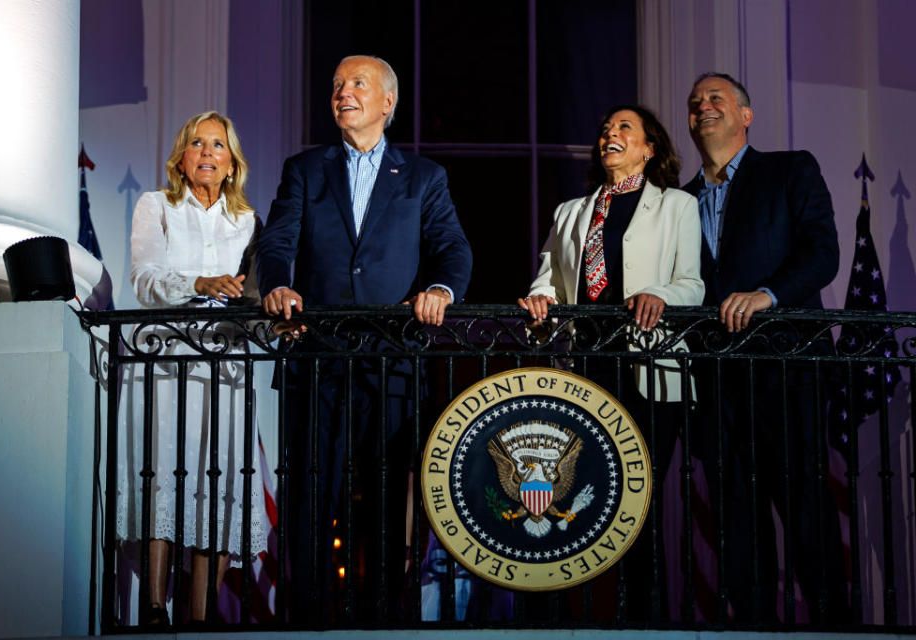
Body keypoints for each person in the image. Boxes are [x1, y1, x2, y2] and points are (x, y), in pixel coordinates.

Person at [255, 55, 472, 620]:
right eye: (336, 85)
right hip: (318, 351)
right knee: (308, 493)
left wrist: (441, 290)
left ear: (387, 103)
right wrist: (277, 287)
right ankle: (303, 619)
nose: (342, 93)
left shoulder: (423, 177)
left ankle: (382, 618)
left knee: (384, 497)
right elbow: (277, 244)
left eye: (357, 84)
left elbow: (451, 247)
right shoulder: (304, 169)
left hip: (392, 357)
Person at [519, 105, 703, 621]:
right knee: (579, 505)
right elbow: (548, 280)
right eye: (604, 129)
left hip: (650, 370)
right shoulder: (571, 212)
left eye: (624, 128)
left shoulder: (676, 206)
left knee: (635, 508)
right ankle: (578, 620)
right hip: (587, 373)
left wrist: (659, 294)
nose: (610, 134)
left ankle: (646, 622)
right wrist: (539, 304)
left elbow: (693, 282)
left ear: (649, 148)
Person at [681, 72, 847, 623]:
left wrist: (768, 295)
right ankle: (752, 631)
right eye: (695, 102)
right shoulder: (678, 203)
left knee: (804, 509)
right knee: (734, 519)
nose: (703, 107)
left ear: (746, 115)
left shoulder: (789, 169)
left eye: (716, 99)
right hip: (714, 383)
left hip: (786, 369)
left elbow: (823, 253)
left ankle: (831, 629)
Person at [119, 111, 269, 626]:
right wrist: (199, 284)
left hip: (226, 366)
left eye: (218, 146)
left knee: (218, 479)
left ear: (232, 165)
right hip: (163, 362)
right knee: (163, 474)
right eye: (197, 144)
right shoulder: (155, 205)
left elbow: (255, 296)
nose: (207, 153)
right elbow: (143, 279)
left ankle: (201, 615)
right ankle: (156, 607)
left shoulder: (248, 222)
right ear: (181, 158)